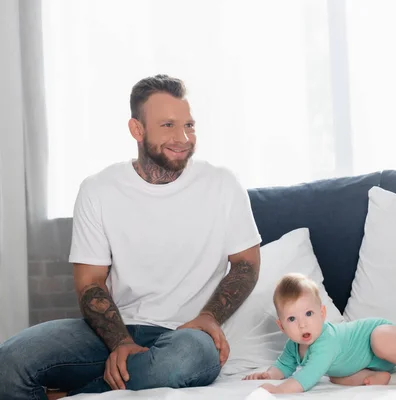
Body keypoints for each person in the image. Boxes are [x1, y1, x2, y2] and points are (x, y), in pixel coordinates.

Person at [0, 74, 262, 399]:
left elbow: (246, 264)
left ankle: (72, 396)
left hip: (185, 334)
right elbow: (90, 282)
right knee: (10, 360)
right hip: (108, 332)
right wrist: (120, 343)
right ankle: (128, 374)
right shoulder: (98, 189)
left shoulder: (222, 184)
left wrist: (209, 317)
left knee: (188, 357)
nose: (183, 137)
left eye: (189, 125)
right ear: (136, 130)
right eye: (168, 125)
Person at [243, 273, 396, 394]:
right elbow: (284, 365)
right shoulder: (293, 346)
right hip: (370, 363)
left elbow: (307, 377)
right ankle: (376, 377)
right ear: (282, 326)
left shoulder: (326, 341)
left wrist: (278, 390)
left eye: (308, 314)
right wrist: (269, 375)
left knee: (380, 340)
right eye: (292, 319)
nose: (302, 324)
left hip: (383, 335)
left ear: (322, 314)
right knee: (336, 377)